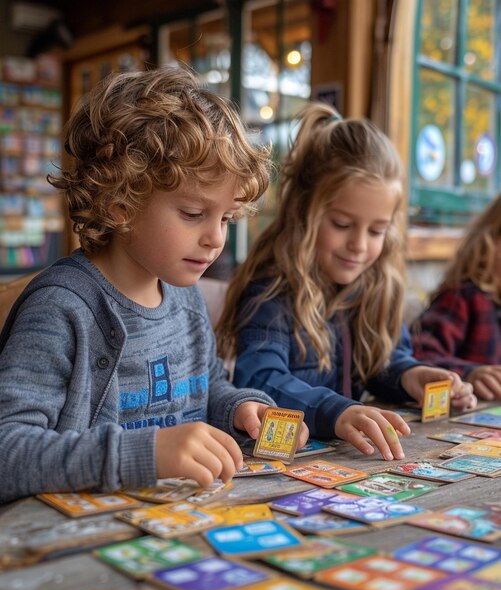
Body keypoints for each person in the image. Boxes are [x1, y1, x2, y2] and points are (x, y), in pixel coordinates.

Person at [0, 66, 308, 505]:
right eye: (193, 214)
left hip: (173, 529)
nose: (216, 238)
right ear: (121, 203)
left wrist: (241, 410)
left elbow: (206, 387)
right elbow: (8, 452)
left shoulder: (184, 296)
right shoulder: (60, 309)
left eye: (224, 218)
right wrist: (145, 454)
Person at [216, 103, 476, 462]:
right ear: (304, 212)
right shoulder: (271, 290)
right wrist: (336, 411)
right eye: (341, 224)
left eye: (377, 230)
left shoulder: (374, 284)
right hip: (284, 466)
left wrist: (410, 375)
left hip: (348, 462)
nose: (359, 245)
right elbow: (260, 378)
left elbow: (380, 363)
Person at [411, 194, 501, 401]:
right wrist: (470, 373)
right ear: (490, 243)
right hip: (461, 420)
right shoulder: (463, 297)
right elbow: (418, 355)